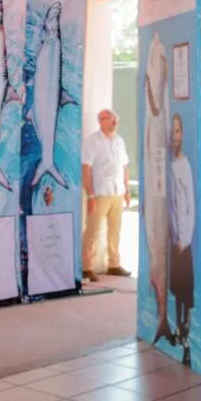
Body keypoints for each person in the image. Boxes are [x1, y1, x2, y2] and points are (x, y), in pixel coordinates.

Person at [81, 109, 132, 282]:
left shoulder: (119, 141)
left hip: (117, 192)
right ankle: (86, 267)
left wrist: (127, 190)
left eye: (116, 119)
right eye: (111, 119)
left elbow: (124, 166)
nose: (114, 123)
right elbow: (86, 169)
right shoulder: (92, 142)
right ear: (101, 121)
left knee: (115, 230)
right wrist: (90, 195)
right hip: (100, 193)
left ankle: (114, 264)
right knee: (93, 229)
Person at [168, 113, 195, 365]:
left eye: (176, 131)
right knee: (175, 289)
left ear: (182, 134)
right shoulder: (165, 164)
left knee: (185, 291)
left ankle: (186, 335)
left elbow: (189, 207)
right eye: (170, 131)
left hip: (182, 243)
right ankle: (176, 330)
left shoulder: (183, 165)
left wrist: (184, 239)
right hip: (170, 240)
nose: (173, 136)